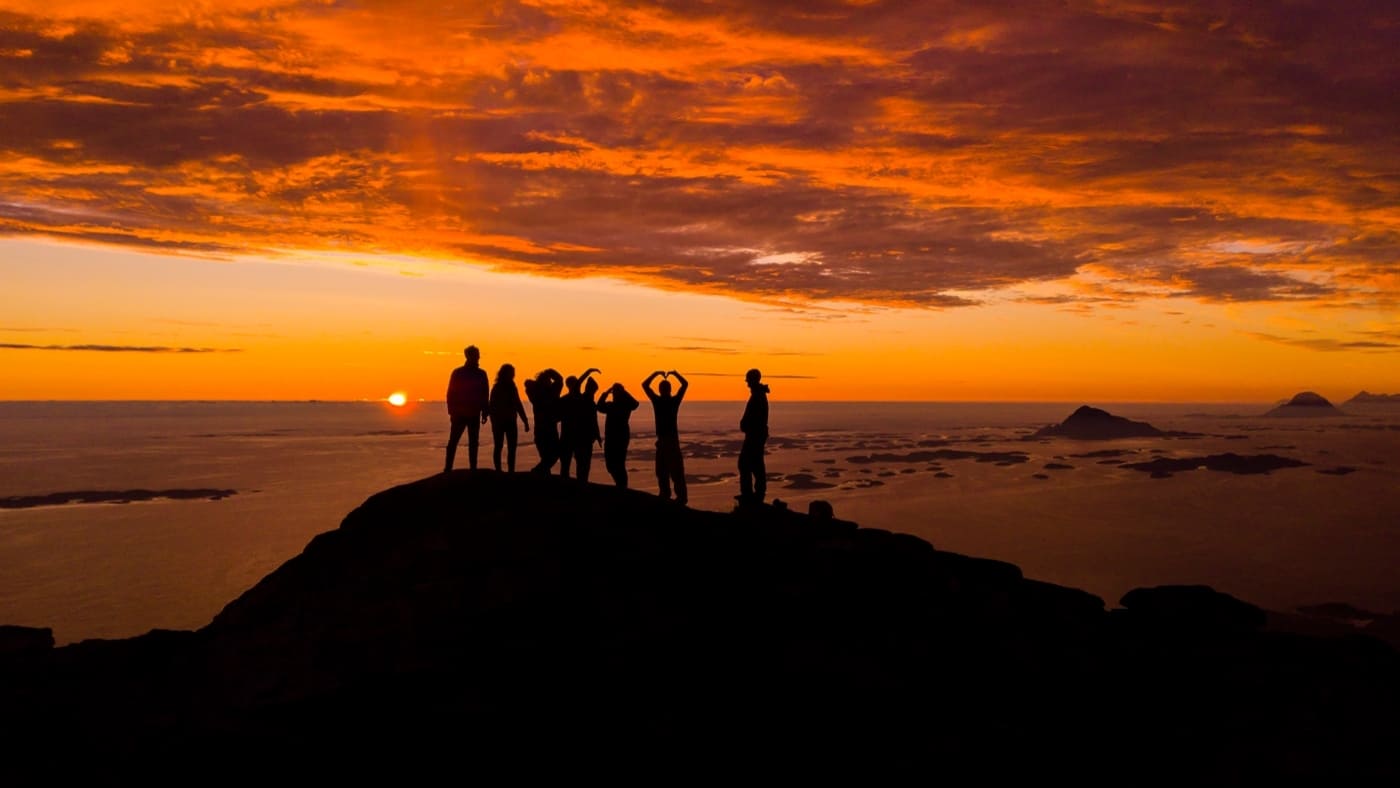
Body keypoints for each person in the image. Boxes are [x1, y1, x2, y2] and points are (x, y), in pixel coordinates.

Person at [642, 369, 688, 504]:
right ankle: (674, 495)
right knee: (670, 470)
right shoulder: (672, 401)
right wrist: (675, 374)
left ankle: (670, 494)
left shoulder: (659, 401)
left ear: (661, 390)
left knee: (666, 470)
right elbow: (684, 384)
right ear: (669, 389)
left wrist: (655, 374)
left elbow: (645, 385)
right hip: (668, 441)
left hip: (666, 440)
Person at [444, 345, 490, 472]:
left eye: (478, 354)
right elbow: (451, 393)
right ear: (469, 356)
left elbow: (485, 393)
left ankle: (472, 468)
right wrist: (452, 411)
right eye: (476, 354)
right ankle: (448, 468)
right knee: (454, 442)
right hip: (460, 413)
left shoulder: (480, 374)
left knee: (473, 442)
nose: (478, 357)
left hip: (473, 413)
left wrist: (485, 411)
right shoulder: (458, 373)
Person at [558, 367, 601, 481]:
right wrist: (587, 372)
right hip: (572, 437)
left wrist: (596, 434)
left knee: (580, 466)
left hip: (579, 437)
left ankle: (577, 487)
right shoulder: (573, 399)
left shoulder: (581, 399)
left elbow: (592, 418)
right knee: (574, 465)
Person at [596, 382, 640, 489]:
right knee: (612, 465)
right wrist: (607, 393)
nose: (614, 394)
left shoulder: (625, 406)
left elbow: (635, 403)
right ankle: (621, 485)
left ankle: (622, 486)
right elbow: (599, 406)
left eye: (615, 392)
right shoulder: (612, 406)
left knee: (618, 464)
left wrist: (609, 392)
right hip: (613, 438)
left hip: (620, 438)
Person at [488, 363, 530, 473]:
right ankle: (499, 470)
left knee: (511, 447)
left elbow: (518, 404)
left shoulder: (512, 387)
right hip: (500, 422)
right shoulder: (497, 388)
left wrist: (525, 420)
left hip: (509, 421)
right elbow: (492, 405)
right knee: (499, 446)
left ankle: (510, 470)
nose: (513, 375)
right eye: (511, 373)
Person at [737, 368, 769, 505]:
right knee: (753, 464)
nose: (747, 383)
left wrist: (746, 425)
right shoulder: (758, 394)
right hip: (755, 435)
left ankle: (751, 495)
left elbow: (756, 418)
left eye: (748, 380)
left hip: (755, 436)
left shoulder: (758, 396)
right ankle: (752, 494)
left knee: (747, 464)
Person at [524, 368, 564, 474]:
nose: (549, 382)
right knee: (551, 456)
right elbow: (559, 379)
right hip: (547, 430)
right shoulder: (549, 393)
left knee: (548, 457)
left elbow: (559, 380)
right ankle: (536, 472)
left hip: (544, 430)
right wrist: (549, 372)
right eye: (548, 380)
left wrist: (547, 373)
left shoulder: (536, 393)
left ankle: (539, 474)